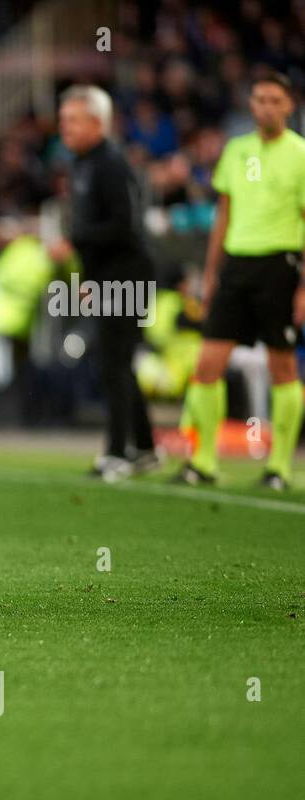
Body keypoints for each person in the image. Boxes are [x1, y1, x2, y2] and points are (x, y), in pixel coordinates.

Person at [175, 69, 305, 490]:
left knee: (282, 366)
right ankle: (204, 461)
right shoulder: (236, 151)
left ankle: (279, 467)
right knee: (206, 365)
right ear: (250, 104)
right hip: (235, 266)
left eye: (275, 100)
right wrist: (211, 275)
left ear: (290, 106)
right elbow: (224, 215)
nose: (266, 106)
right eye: (260, 99)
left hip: (280, 265)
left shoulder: (300, 155)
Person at [50, 84, 158, 481]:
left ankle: (117, 453)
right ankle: (145, 448)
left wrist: (74, 244)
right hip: (108, 275)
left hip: (128, 274)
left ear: (98, 122)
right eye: (64, 120)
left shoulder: (111, 162)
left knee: (114, 364)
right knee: (118, 363)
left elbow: (124, 225)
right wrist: (90, 277)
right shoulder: (82, 163)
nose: (66, 128)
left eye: (74, 120)